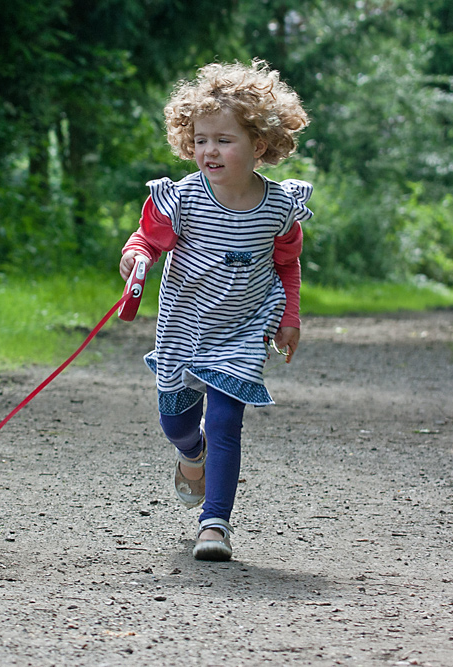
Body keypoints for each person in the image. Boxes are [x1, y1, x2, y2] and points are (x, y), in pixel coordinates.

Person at [119, 59, 312, 561]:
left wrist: (289, 316)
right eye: (201, 139)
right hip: (185, 325)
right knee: (177, 424)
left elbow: (287, 263)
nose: (209, 150)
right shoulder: (180, 198)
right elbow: (146, 241)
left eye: (224, 140)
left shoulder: (279, 207)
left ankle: (215, 524)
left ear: (260, 145)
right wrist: (136, 257)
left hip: (245, 327)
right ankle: (191, 454)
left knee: (226, 420)